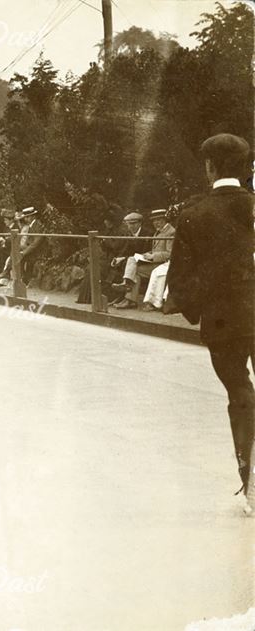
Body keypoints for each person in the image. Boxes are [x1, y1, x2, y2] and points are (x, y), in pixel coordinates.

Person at [166, 133, 255, 515]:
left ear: (210, 167)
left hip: (224, 319)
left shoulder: (193, 213)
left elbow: (180, 280)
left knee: (239, 393)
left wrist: (199, 304)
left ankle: (248, 481)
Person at [113, 208, 176, 309]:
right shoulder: (159, 232)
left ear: (165, 220)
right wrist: (148, 254)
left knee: (134, 272)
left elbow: (170, 253)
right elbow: (155, 249)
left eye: (159, 220)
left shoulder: (171, 232)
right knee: (132, 260)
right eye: (154, 221)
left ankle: (129, 295)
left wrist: (153, 256)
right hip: (155, 262)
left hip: (163, 264)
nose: (156, 223)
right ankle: (128, 294)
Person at [17, 206, 46, 285]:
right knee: (16, 253)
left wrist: (24, 252)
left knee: (25, 258)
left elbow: (36, 243)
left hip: (38, 250)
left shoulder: (38, 225)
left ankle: (25, 280)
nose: (26, 219)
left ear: (33, 216)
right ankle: (21, 279)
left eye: (27, 217)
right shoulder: (31, 225)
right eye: (25, 217)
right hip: (31, 249)